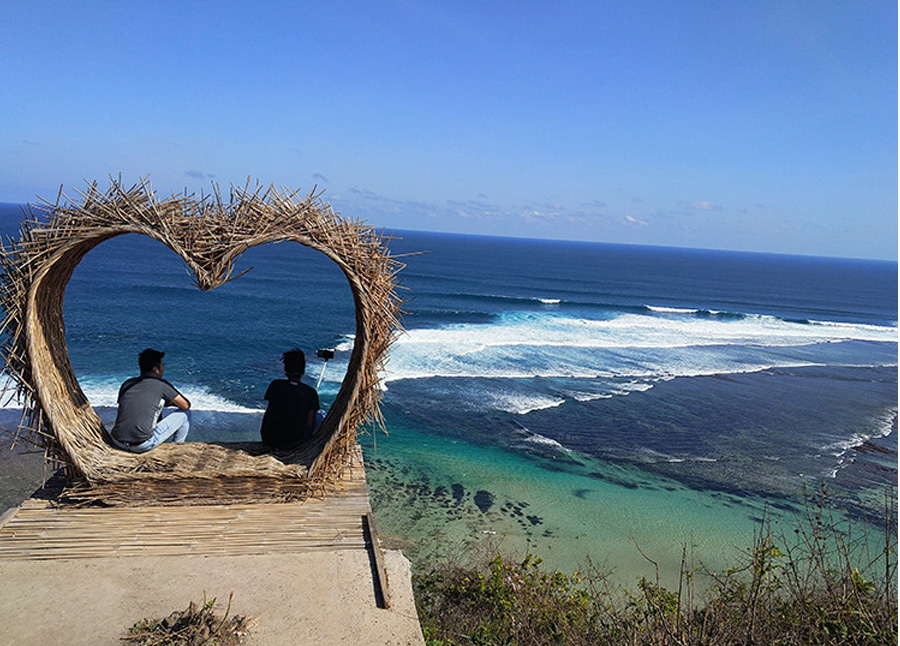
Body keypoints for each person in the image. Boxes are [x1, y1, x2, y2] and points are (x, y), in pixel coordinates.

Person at [109, 348, 191, 453]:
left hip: (117, 441)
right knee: (185, 414)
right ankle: (177, 449)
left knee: (155, 405)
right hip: (141, 445)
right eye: (162, 365)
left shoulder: (127, 383)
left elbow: (133, 405)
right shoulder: (161, 385)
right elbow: (186, 405)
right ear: (155, 370)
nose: (163, 368)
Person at [260, 348, 320, 448]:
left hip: (268, 438)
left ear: (285, 369)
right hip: (293, 441)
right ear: (303, 370)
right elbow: (310, 423)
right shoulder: (310, 392)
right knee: (320, 416)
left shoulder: (275, 385)